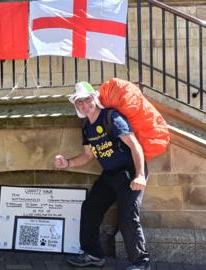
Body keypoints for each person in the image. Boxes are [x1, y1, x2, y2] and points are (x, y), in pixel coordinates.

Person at [54, 81, 150, 270]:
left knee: (127, 217)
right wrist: (68, 163)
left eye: (87, 99)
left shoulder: (111, 117)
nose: (83, 105)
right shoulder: (86, 127)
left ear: (95, 99)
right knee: (90, 208)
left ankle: (141, 263)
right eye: (79, 102)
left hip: (129, 171)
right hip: (110, 174)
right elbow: (88, 155)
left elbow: (135, 146)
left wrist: (139, 175)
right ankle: (94, 254)